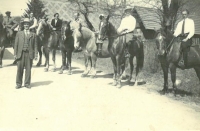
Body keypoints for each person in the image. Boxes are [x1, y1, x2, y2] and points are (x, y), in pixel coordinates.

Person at [14, 18, 38, 89]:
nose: (26, 25)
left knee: (28, 69)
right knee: (19, 69)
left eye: (27, 24)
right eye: (25, 24)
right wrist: (15, 54)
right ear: (23, 25)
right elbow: (16, 44)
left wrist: (36, 54)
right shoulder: (19, 33)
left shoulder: (33, 35)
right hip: (20, 54)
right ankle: (18, 84)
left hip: (29, 54)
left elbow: (35, 46)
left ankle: (27, 83)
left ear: (29, 25)